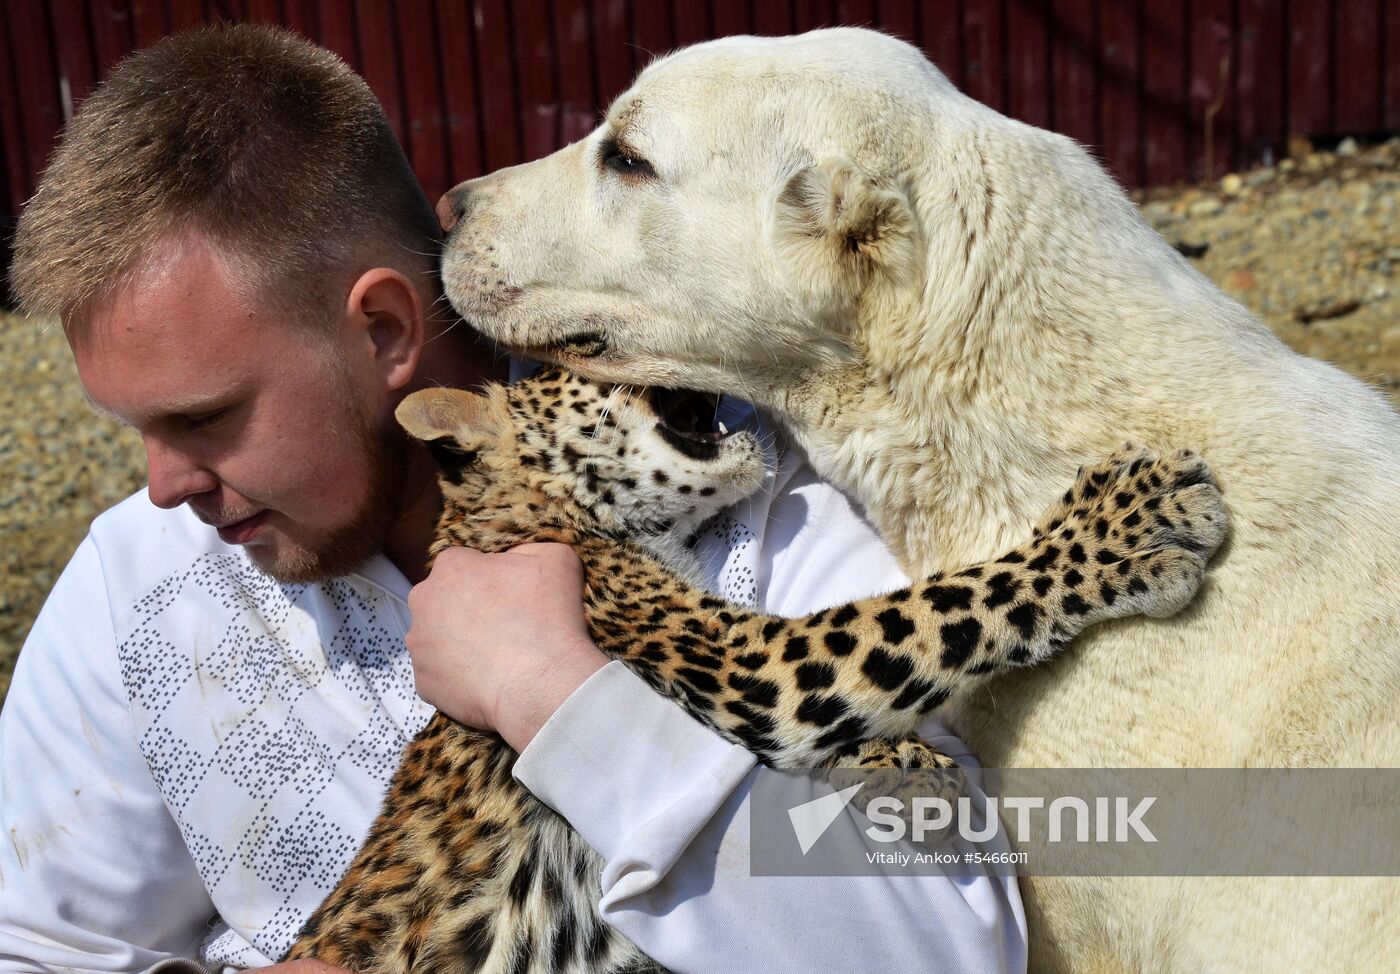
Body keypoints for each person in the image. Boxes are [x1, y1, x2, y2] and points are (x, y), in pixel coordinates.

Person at [0, 24, 1025, 974]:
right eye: (133, 426)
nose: (162, 483)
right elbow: (36, 942)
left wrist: (558, 695)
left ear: (388, 333)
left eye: (206, 416)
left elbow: (946, 942)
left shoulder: (742, 494)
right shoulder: (139, 585)